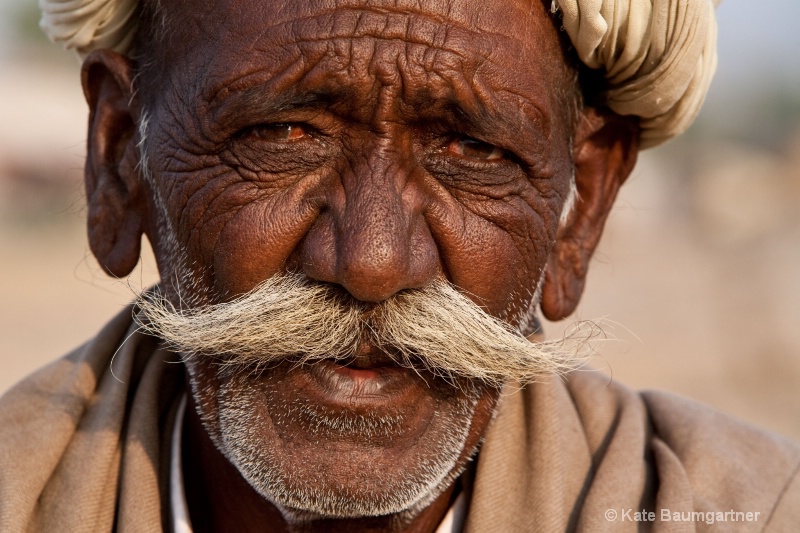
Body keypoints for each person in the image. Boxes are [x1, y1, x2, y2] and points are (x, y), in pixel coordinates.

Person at [1, 0, 798, 531]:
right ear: (119, 162)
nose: (371, 262)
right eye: (283, 134)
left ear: (580, 209)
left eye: (469, 149)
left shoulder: (751, 511)